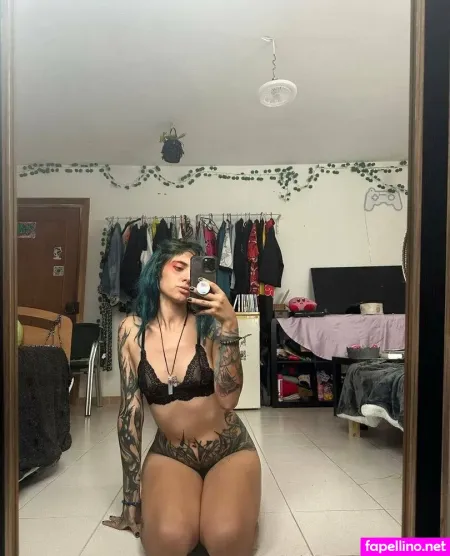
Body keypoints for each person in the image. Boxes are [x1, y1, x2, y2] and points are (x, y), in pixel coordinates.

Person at [102, 239, 261, 556]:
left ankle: (229, 505)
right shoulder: (130, 331)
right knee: (168, 540)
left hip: (228, 450)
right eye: (178, 267)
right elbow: (130, 412)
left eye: (194, 269)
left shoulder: (210, 324)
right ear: (156, 270)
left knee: (225, 538)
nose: (187, 276)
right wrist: (131, 497)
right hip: (171, 454)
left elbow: (228, 400)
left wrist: (230, 325)